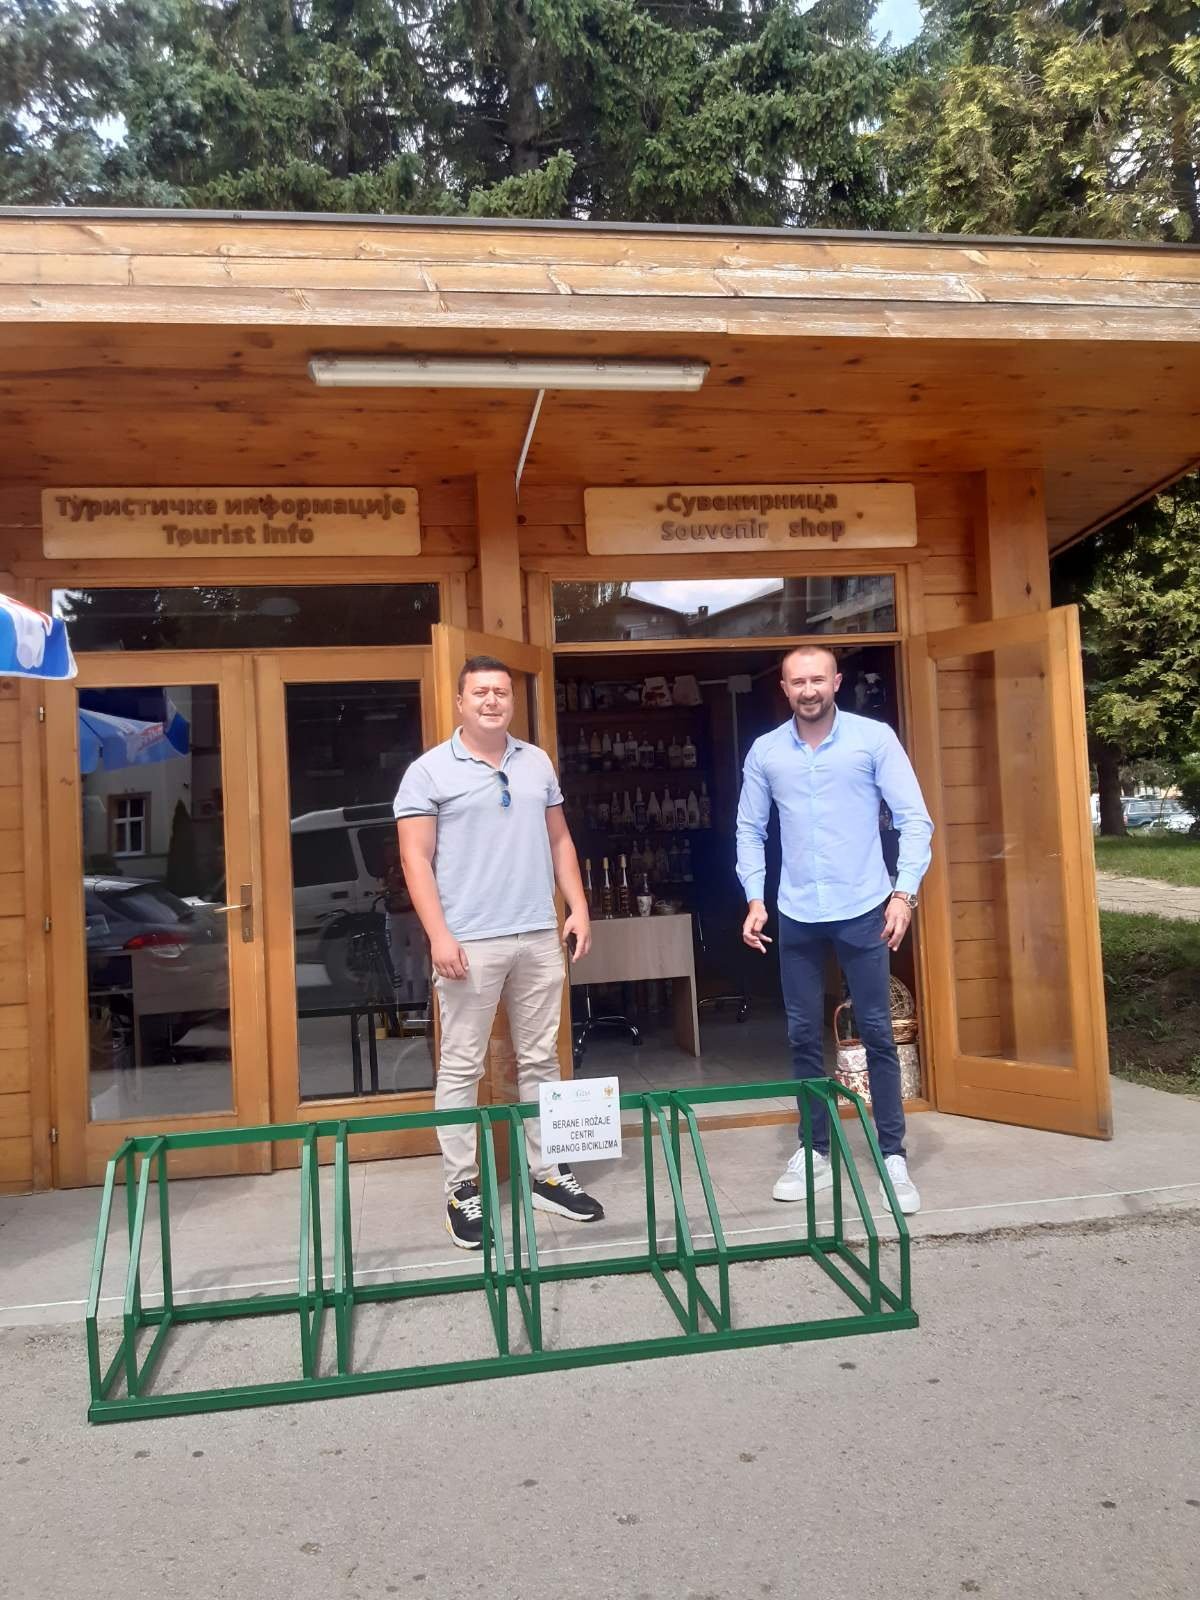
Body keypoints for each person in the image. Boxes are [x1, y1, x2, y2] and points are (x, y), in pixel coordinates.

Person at [394, 655, 602, 1249]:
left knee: (541, 1062)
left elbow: (559, 838)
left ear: (512, 701)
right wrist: (438, 935)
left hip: (537, 933)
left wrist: (577, 906)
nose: (492, 701)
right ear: (460, 702)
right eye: (481, 692)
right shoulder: (428, 772)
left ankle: (547, 1174)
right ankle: (462, 1187)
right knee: (463, 1067)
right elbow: (415, 859)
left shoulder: (536, 762)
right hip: (469, 941)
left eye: (502, 692)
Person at [735, 644, 933, 1215]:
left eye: (818, 679)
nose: (809, 690)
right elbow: (749, 829)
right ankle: (814, 1151)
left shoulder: (874, 740)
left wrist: (904, 894)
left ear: (837, 682)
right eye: (798, 682)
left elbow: (915, 820)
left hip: (865, 906)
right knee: (802, 1035)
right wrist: (754, 897)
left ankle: (891, 1156)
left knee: (877, 1033)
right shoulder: (766, 751)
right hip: (797, 910)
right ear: (784, 688)